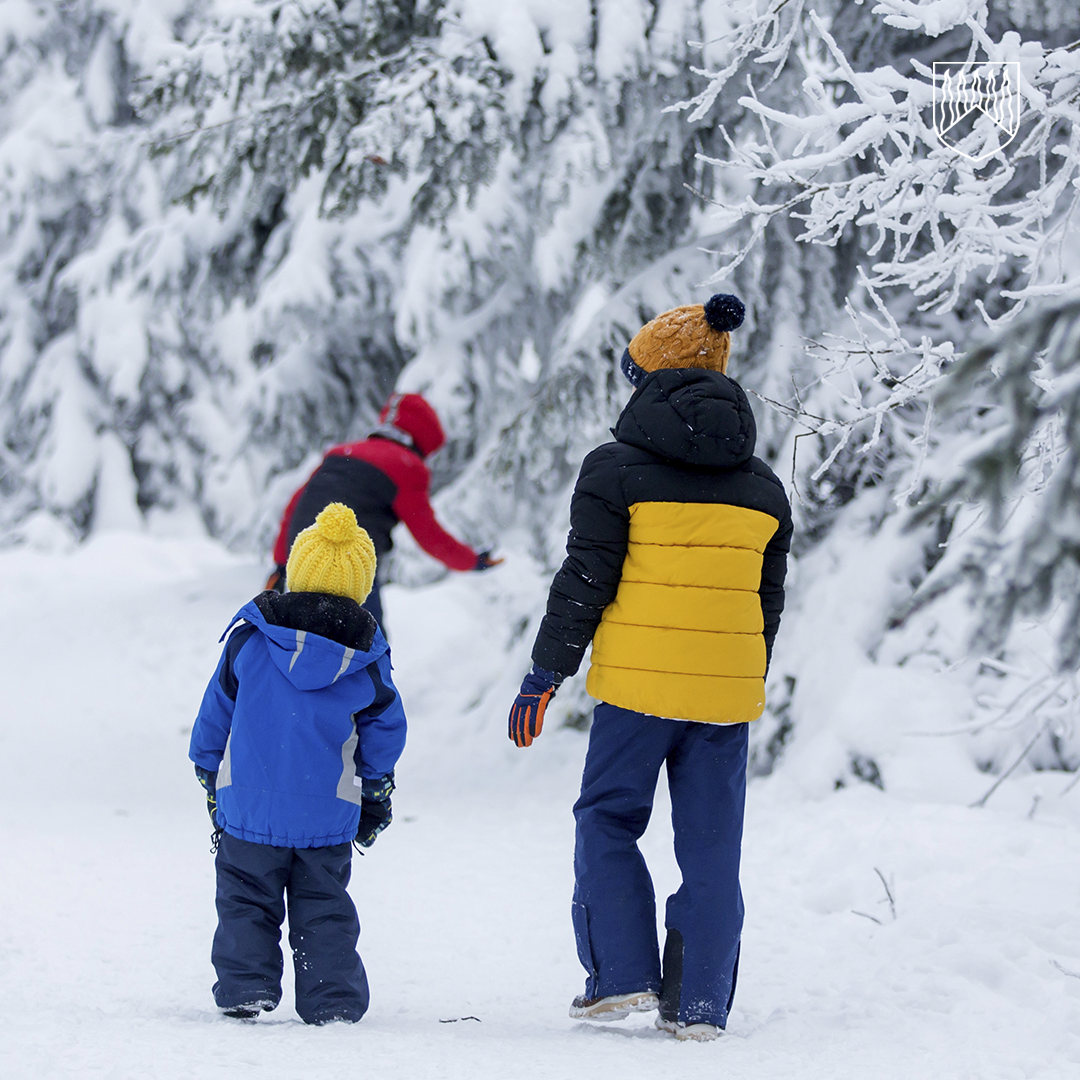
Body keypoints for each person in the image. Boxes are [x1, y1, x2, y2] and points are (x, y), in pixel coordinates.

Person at [507, 294, 791, 1042]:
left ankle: (622, 977)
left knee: (607, 818)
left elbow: (586, 578)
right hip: (725, 697)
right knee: (712, 845)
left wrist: (545, 674)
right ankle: (698, 1005)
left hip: (637, 690)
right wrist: (738, 672)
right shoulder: (764, 487)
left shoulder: (615, 469)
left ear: (649, 379)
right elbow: (766, 606)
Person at [190, 502, 407, 1024]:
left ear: (296, 570)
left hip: (249, 809)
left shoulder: (250, 640)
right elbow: (385, 732)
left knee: (245, 899)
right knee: (324, 908)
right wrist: (376, 791)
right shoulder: (366, 660)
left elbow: (216, 710)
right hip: (326, 815)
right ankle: (331, 999)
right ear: (361, 585)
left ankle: (246, 985)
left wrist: (206, 767)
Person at [268, 392, 501, 625]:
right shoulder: (406, 466)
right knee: (368, 645)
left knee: (300, 637)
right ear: (422, 441)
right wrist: (471, 561)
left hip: (303, 557)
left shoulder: (340, 453)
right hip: (349, 564)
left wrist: (281, 565)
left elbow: (295, 507)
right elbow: (429, 535)